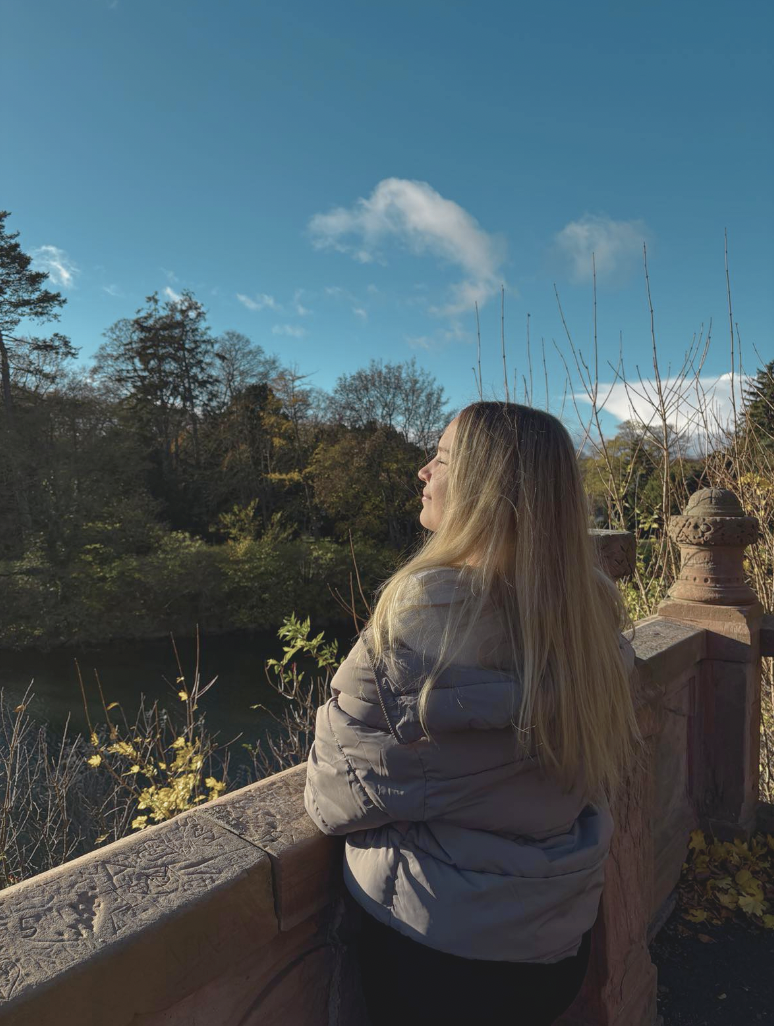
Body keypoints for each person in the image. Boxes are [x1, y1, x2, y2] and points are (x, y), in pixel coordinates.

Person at [303, 402, 645, 1026]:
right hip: (557, 938)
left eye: (439, 457)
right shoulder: (592, 630)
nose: (421, 472)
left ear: (483, 489)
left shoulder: (411, 624)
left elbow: (334, 792)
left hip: (434, 946)